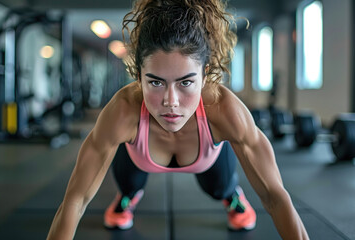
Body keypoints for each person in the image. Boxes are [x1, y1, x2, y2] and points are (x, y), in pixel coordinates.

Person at [46, 0, 309, 239]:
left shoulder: (224, 110)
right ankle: (127, 196)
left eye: (186, 82)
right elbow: (75, 200)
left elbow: (275, 198)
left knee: (219, 186)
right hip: (138, 159)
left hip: (209, 160)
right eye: (156, 82)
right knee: (128, 180)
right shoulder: (123, 110)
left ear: (205, 76)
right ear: (139, 75)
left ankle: (232, 198)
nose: (170, 101)